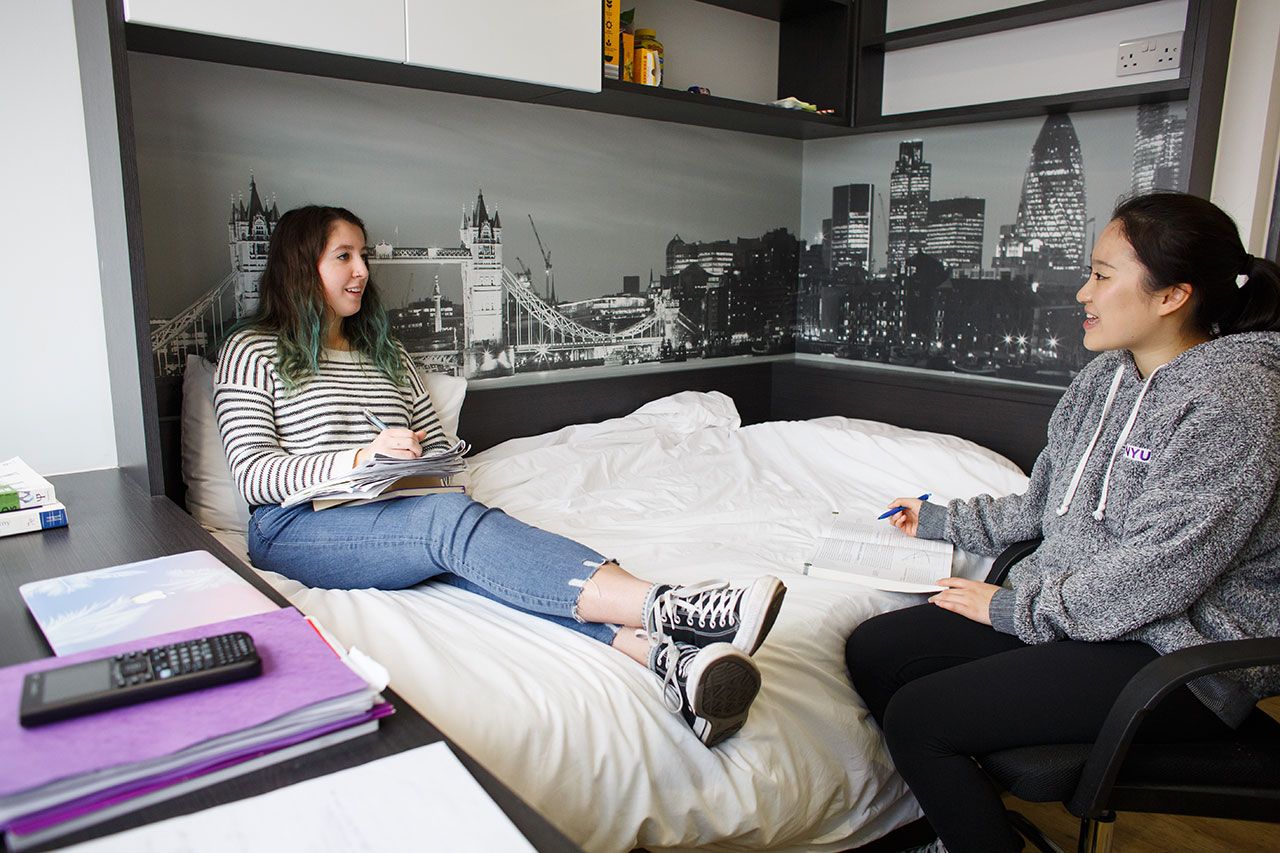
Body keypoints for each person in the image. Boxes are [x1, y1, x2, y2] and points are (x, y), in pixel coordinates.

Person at [213, 205, 787, 747]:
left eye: (363, 256)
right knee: (451, 525)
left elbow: (438, 452)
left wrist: (420, 467)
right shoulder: (252, 349)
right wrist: (361, 460)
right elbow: (255, 477)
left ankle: (669, 662)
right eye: (344, 256)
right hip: (294, 527)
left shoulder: (388, 358)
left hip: (390, 516)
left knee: (481, 556)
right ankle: (673, 607)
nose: (363, 270)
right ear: (299, 265)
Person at [845, 192, 1280, 852]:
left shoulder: (1231, 401)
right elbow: (1044, 502)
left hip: (1179, 650)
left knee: (922, 715)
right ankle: (966, 827)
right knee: (876, 648)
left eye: (1103, 275)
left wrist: (1017, 609)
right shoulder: (1106, 376)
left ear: (1172, 294)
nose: (1084, 291)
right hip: (1086, 617)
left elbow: (1159, 576)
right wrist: (939, 520)